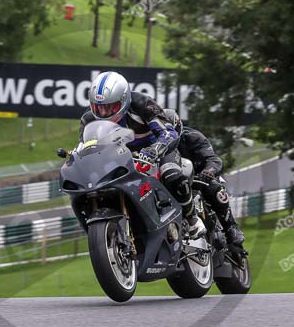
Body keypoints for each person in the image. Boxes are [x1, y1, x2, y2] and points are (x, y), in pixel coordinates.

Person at [80, 71, 206, 237]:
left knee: (172, 174)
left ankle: (192, 219)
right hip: (122, 160)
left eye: (110, 107)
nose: (104, 113)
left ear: (124, 100)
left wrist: (155, 149)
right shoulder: (88, 120)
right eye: (99, 107)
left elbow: (168, 132)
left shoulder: (141, 104)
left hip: (157, 152)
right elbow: (86, 148)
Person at [163, 109, 245, 246]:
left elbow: (213, 159)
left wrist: (208, 172)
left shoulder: (192, 136)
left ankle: (231, 227)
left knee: (215, 189)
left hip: (200, 177)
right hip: (174, 181)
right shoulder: (154, 142)